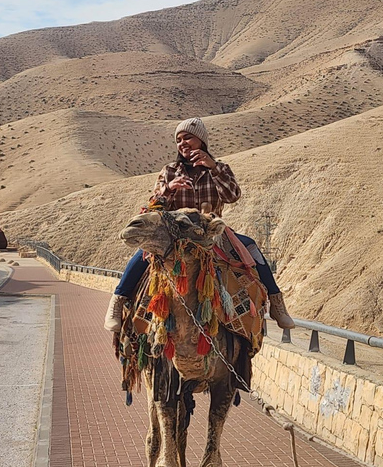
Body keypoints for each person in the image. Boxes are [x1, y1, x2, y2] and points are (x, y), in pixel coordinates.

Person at [104, 117, 295, 331]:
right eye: (179, 140)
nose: (183, 143)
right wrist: (169, 190)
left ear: (201, 141)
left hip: (211, 231)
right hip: (175, 233)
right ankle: (118, 301)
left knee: (250, 247)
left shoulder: (220, 168)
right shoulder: (169, 171)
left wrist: (213, 169)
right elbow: (153, 208)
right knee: (143, 254)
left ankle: (277, 303)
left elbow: (233, 196)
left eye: (188, 138)